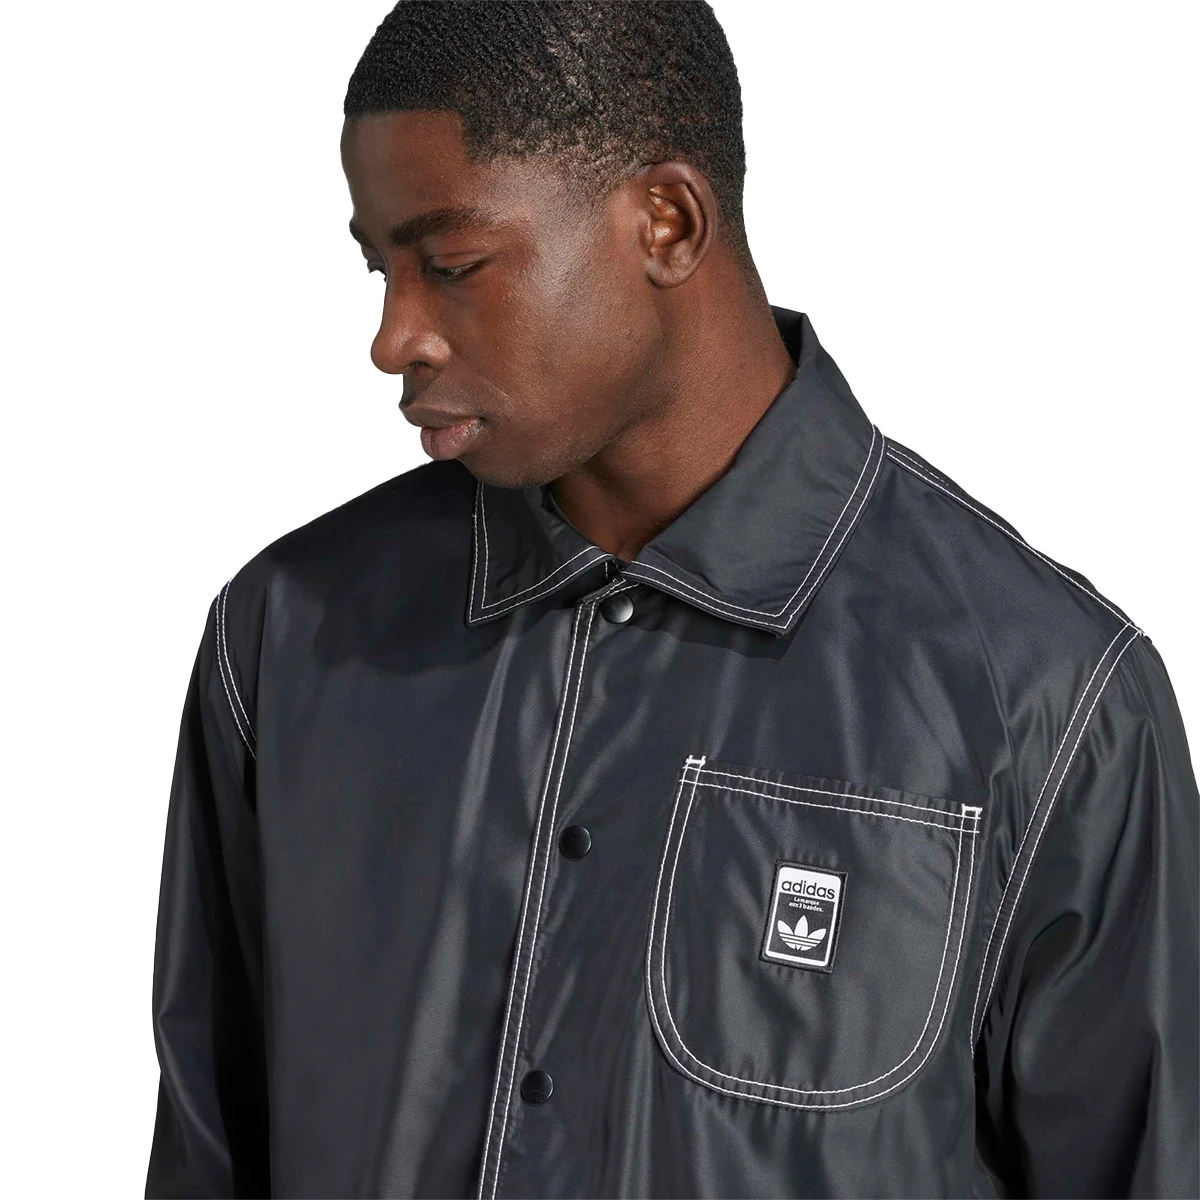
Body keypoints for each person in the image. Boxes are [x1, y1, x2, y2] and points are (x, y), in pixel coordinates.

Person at [144, 3, 1200, 1197]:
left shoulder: (1047, 703)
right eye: (379, 270)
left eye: (451, 266)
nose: (394, 339)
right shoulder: (288, 639)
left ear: (668, 222)